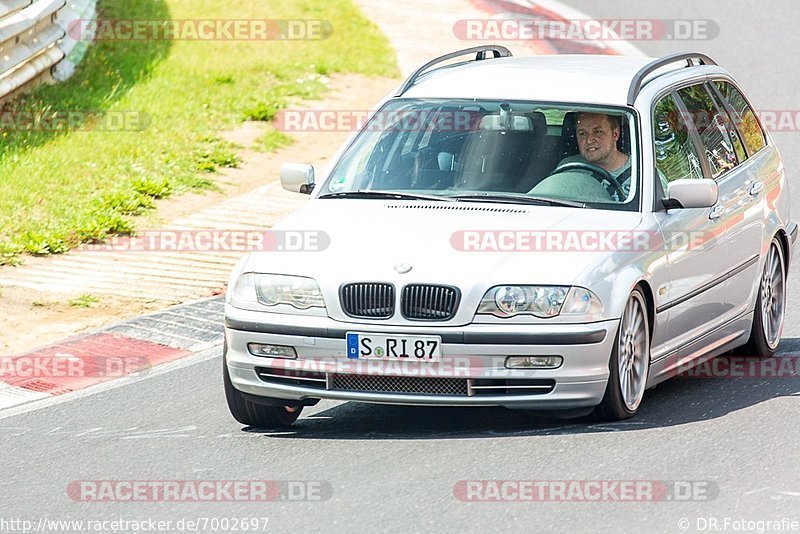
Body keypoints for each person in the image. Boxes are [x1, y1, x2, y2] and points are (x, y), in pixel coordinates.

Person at [557, 112, 632, 200]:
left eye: (597, 132)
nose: (589, 140)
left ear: (615, 134)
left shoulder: (640, 173)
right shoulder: (569, 168)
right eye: (582, 133)